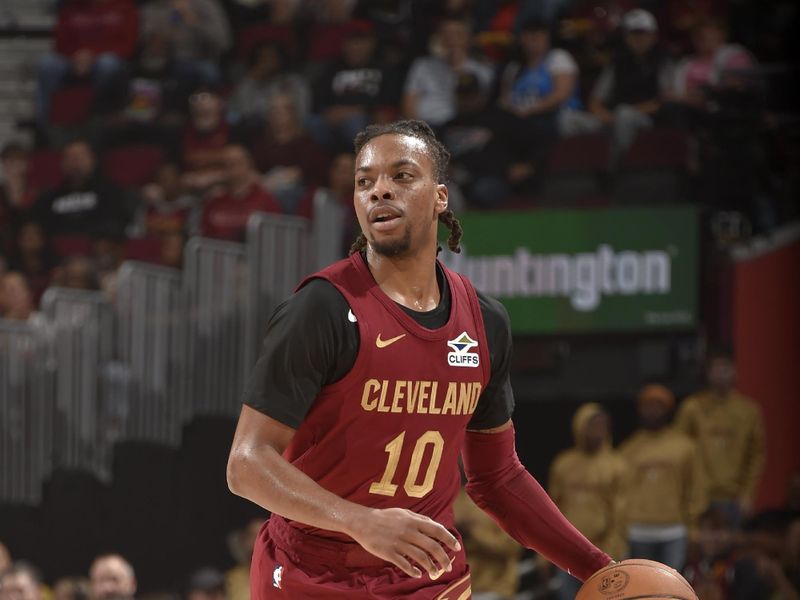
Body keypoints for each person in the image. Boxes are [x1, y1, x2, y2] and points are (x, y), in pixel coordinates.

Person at [227, 120, 613, 599]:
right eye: (365, 182)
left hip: (425, 574)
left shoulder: (485, 321)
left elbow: (497, 478)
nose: (379, 191)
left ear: (440, 197)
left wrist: (601, 570)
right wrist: (360, 521)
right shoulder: (323, 308)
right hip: (313, 572)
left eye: (402, 176)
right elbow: (246, 463)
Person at [619, 384, 708, 570]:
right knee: (642, 591)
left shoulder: (685, 447)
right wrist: (622, 533)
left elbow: (696, 488)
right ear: (640, 409)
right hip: (638, 532)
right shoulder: (628, 450)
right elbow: (620, 496)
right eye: (647, 405)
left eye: (658, 405)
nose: (652, 411)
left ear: (668, 409)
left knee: (671, 590)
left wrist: (693, 527)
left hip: (674, 531)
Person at [676, 348, 765, 527]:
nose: (720, 374)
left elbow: (756, 455)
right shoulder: (692, 408)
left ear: (734, 372)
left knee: (731, 549)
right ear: (708, 373)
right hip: (698, 497)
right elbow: (680, 451)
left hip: (733, 497)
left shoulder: (748, 410)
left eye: (725, 368)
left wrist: (748, 493)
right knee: (697, 551)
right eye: (716, 369)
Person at [549, 403, 628, 600]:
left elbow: (620, 513)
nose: (598, 431)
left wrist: (613, 550)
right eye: (592, 425)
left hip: (602, 552)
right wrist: (546, 555)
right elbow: (552, 508)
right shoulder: (564, 464)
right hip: (566, 554)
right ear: (579, 426)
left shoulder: (616, 465)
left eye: (602, 426)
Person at [587, 9, 673, 165]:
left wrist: (625, 113)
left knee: (624, 115)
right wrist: (605, 115)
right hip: (613, 117)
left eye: (643, 34)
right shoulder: (617, 61)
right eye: (633, 34)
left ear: (653, 36)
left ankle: (617, 167)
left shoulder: (662, 60)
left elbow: (664, 100)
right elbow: (595, 100)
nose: (638, 39)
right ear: (626, 37)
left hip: (648, 119)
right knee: (572, 120)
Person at [36, 0, 137, 125]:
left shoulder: (125, 8)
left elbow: (128, 45)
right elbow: (60, 41)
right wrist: (76, 55)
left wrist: (92, 54)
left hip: (106, 59)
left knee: (107, 64)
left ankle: (92, 114)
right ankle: (45, 120)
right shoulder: (72, 8)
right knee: (47, 64)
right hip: (73, 58)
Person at [403, 18, 494, 128]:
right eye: (447, 35)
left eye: (458, 35)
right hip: (423, 128)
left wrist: (458, 68)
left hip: (458, 127)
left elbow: (473, 107)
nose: (452, 40)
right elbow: (409, 103)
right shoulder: (422, 65)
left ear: (468, 38)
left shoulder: (482, 70)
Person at [31, 140, 132, 239]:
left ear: (93, 161)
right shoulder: (48, 198)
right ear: (62, 163)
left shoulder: (111, 193)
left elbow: (115, 224)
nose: (76, 162)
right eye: (71, 157)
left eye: (81, 157)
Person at [200, 145, 281, 241]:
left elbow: (275, 236)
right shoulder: (214, 202)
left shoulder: (266, 199)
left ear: (249, 164)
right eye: (226, 164)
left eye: (236, 162)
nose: (231, 168)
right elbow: (205, 239)